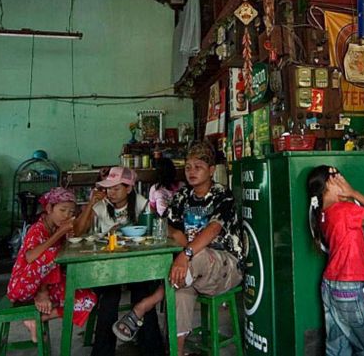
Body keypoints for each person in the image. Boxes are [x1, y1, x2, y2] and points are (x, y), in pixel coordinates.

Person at [158, 141, 243, 356]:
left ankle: (146, 305)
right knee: (180, 292)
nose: (192, 172)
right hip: (193, 272)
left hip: (226, 268)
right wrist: (176, 234)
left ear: (212, 170)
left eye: (198, 167)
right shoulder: (182, 197)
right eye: (188, 167)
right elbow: (163, 224)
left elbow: (214, 229)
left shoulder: (222, 195)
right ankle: (176, 353)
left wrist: (185, 252)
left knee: (194, 258)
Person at [72, 167, 163, 356]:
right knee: (109, 298)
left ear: (128, 188)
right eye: (108, 188)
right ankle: (103, 352)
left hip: (136, 264)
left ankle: (151, 348)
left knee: (142, 291)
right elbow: (78, 232)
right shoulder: (102, 205)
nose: (110, 193)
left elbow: (155, 229)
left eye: (116, 188)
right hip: (107, 268)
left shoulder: (140, 203)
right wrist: (90, 204)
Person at [306, 165, 364, 356]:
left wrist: (347, 195)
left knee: (337, 347)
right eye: (339, 180)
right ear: (328, 185)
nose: (344, 183)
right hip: (349, 288)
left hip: (330, 286)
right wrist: (353, 192)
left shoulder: (324, 214)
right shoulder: (344, 210)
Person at [7, 187, 96, 343]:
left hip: (47, 284)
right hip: (23, 287)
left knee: (88, 298)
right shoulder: (37, 229)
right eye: (62, 210)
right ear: (49, 208)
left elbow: (78, 231)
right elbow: (30, 257)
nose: (67, 215)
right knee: (49, 255)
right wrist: (59, 234)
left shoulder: (55, 226)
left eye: (71, 212)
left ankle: (38, 319)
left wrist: (90, 205)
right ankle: (41, 295)